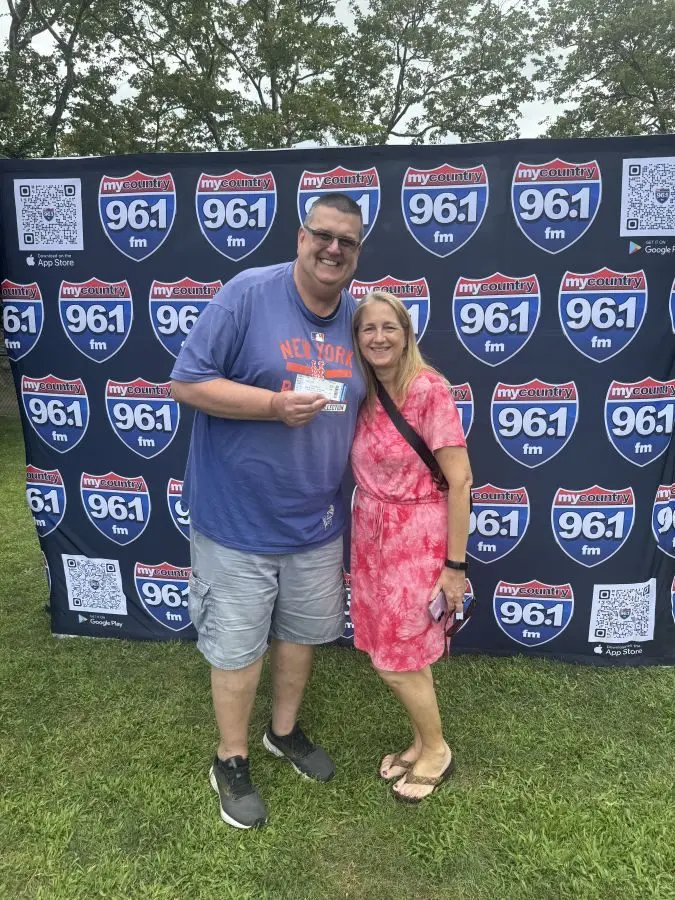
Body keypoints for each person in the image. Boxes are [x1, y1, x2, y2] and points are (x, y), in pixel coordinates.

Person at [170, 193, 365, 829]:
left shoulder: (359, 319)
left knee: (302, 635)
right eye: (323, 235)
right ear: (301, 237)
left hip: (316, 521)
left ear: (357, 253)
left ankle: (283, 732)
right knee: (236, 647)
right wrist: (272, 406)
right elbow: (186, 382)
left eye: (347, 242)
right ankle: (230, 757)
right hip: (237, 518)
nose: (333, 249)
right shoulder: (247, 294)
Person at [349, 290, 472, 803]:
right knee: (404, 654)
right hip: (371, 539)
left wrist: (454, 567)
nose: (378, 337)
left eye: (389, 327)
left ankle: (437, 751)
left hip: (416, 541)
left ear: (406, 335)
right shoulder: (365, 391)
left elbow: (460, 481)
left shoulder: (428, 390)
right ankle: (421, 741)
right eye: (368, 328)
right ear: (356, 338)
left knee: (394, 660)